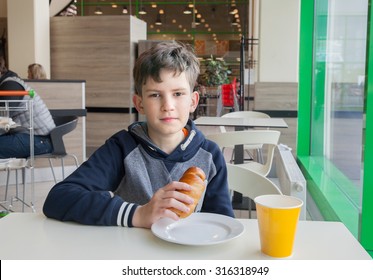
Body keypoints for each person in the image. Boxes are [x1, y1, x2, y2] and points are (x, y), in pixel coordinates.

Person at [43, 41, 234, 229]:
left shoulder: (210, 155)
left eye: (178, 94)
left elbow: (223, 224)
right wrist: (138, 214)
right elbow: (59, 198)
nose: (168, 105)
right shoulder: (121, 147)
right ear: (139, 103)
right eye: (155, 95)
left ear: (193, 101)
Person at [0, 57, 56, 158]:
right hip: (34, 136)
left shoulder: (10, 86)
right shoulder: (9, 83)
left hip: (39, 139)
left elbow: (2, 121)